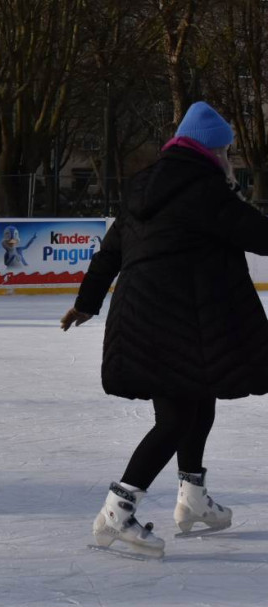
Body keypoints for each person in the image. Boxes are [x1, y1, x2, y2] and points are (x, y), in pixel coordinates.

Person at [61, 101, 268, 557]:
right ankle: (117, 511)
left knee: (199, 402)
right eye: (226, 150)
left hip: (144, 319)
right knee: (176, 419)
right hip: (178, 320)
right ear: (211, 150)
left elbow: (110, 252)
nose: (228, 158)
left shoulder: (142, 186)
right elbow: (261, 236)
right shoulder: (206, 190)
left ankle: (192, 498)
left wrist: (86, 303)